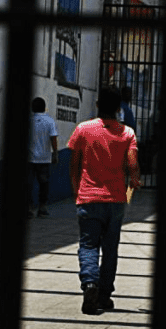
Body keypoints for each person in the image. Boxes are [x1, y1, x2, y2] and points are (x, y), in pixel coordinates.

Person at [68, 87, 141, 315]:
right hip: (116, 200)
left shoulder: (83, 129)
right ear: (119, 109)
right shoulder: (127, 133)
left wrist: (77, 192)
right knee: (110, 249)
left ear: (98, 105)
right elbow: (133, 167)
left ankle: (90, 283)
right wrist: (131, 188)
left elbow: (74, 164)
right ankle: (104, 294)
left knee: (88, 244)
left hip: (88, 198)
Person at [28, 97, 59, 217]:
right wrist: (55, 153)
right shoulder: (50, 121)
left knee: (28, 184)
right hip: (44, 158)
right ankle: (42, 208)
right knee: (44, 185)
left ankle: (29, 208)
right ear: (44, 107)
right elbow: (53, 138)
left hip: (30, 159)